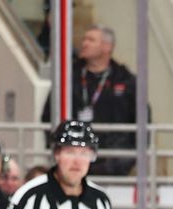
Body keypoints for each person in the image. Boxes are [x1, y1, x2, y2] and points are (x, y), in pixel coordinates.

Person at [43, 26, 141, 176]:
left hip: (113, 162)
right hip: (74, 157)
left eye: (91, 40)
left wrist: (128, 159)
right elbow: (48, 114)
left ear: (107, 47)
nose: (84, 43)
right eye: (84, 39)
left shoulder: (125, 79)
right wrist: (57, 147)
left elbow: (141, 119)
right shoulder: (69, 77)